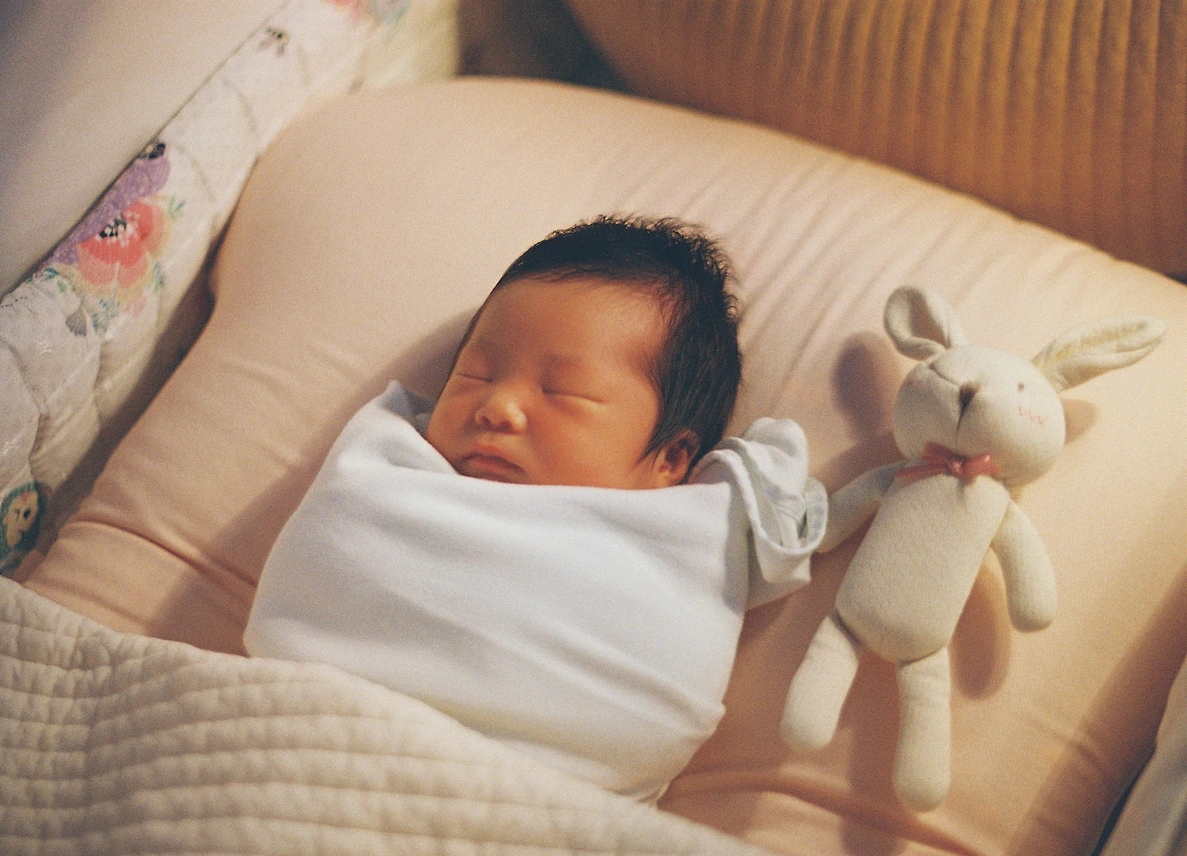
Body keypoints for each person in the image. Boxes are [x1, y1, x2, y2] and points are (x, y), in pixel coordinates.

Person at [244, 215, 827, 801]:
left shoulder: (695, 536)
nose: (498, 405)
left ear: (671, 458)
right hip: (284, 743)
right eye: (475, 375)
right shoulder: (386, 469)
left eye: (561, 390)